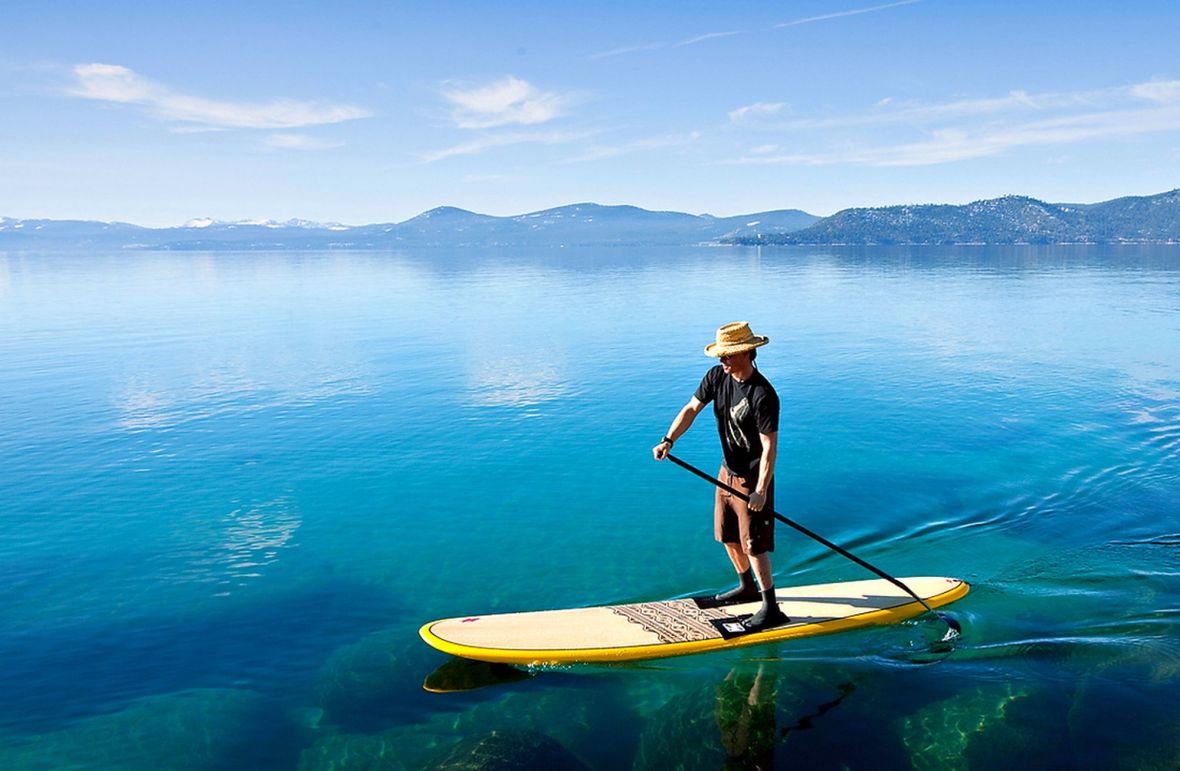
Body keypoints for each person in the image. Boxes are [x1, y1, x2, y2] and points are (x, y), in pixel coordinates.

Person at [652, 321, 788, 630]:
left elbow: (769, 448)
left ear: (746, 354)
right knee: (727, 535)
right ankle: (746, 587)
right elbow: (691, 408)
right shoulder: (717, 377)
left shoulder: (763, 394)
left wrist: (762, 490)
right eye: (720, 356)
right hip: (726, 473)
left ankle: (770, 607)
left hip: (753, 479)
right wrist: (668, 439)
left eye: (727, 356)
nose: (722, 361)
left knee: (754, 545)